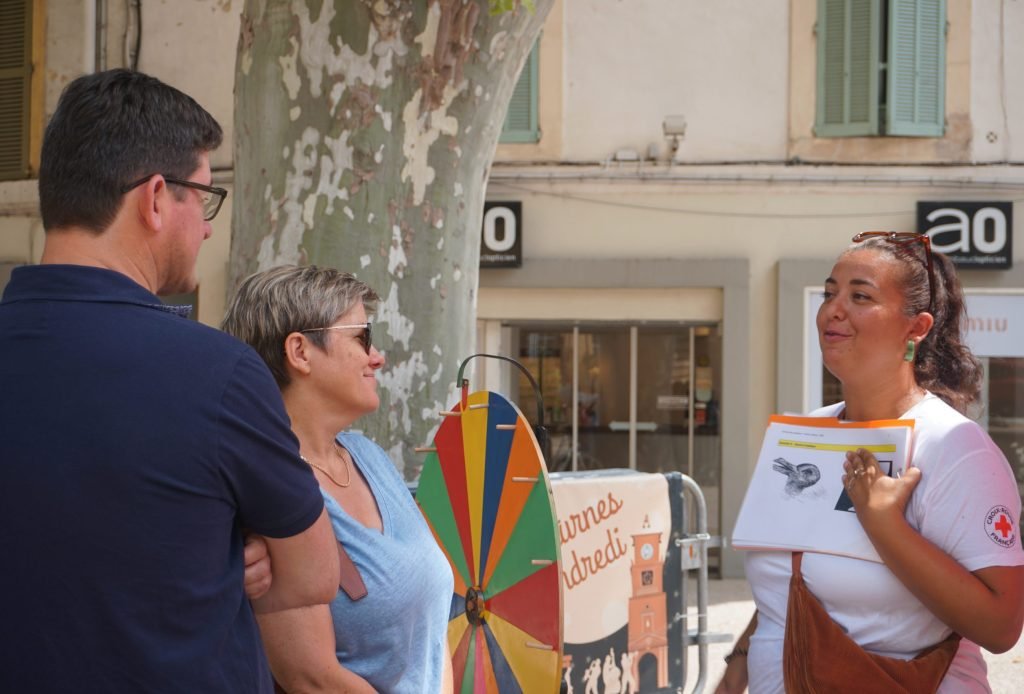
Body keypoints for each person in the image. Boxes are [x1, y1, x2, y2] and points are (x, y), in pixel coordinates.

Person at [0, 69, 339, 692]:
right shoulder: (220, 374)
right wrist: (213, 557)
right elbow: (315, 574)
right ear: (156, 198)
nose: (208, 226)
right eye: (204, 197)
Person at [718, 232, 1024, 693]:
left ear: (916, 328)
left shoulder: (955, 448)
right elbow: (791, 579)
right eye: (829, 293)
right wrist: (738, 665)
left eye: (860, 295)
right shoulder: (805, 435)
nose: (833, 309)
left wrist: (886, 526)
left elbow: (1002, 627)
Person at [222, 264, 455, 693]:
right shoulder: (268, 489)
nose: (378, 356)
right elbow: (312, 679)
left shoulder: (369, 458)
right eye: (361, 337)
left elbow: (432, 639)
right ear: (300, 352)